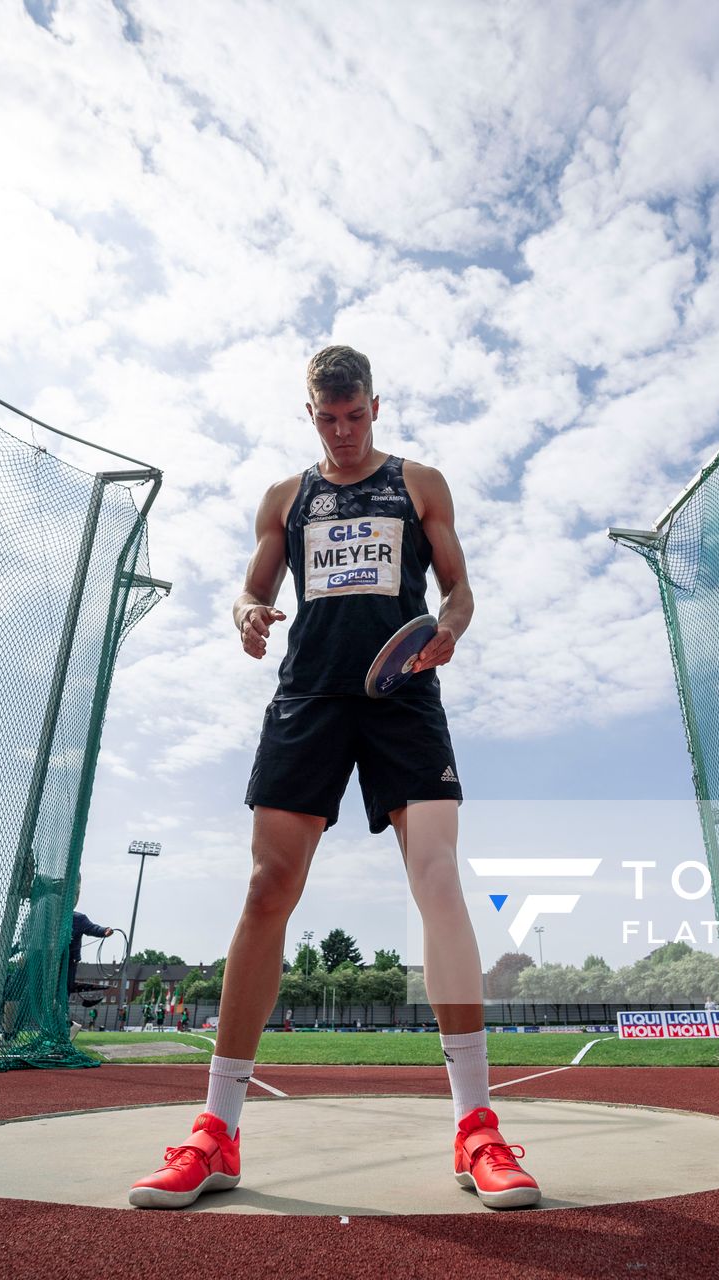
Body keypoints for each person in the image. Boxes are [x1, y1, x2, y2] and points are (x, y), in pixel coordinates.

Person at [130, 345, 536, 1211]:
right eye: (328, 419)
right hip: (310, 694)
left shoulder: (420, 483)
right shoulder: (286, 498)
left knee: (438, 881)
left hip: (403, 694)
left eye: (356, 416)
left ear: (375, 408)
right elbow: (252, 589)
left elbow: (460, 590)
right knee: (267, 889)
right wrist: (248, 615)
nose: (344, 432)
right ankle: (216, 1131)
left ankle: (477, 1127)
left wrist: (451, 629)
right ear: (310, 414)